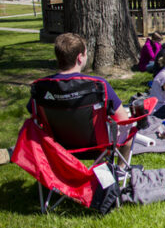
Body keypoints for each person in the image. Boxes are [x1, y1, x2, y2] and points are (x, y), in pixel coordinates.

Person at [43, 33, 133, 167]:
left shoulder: (41, 87)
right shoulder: (97, 85)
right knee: (130, 132)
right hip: (96, 146)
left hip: (57, 145)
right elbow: (122, 118)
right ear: (80, 58)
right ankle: (120, 171)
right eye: (86, 53)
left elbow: (36, 118)